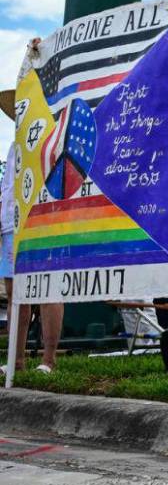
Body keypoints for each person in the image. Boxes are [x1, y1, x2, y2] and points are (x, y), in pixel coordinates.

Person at [1, 87, 63, 377]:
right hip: (10, 224)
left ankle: (49, 360)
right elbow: (8, 186)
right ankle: (15, 359)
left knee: (48, 289)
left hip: (42, 220)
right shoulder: (14, 145)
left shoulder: (51, 136)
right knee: (15, 294)